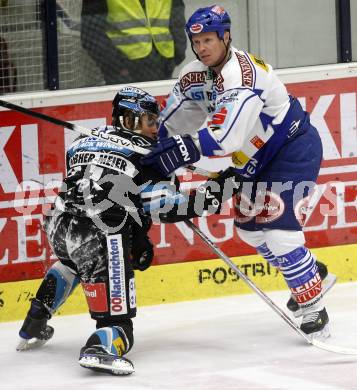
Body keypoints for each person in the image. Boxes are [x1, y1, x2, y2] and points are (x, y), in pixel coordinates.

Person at [141, 5, 336, 338]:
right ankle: (310, 272)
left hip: (291, 148)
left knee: (276, 226)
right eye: (196, 41)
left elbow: (224, 139)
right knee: (249, 231)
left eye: (208, 40)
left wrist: (179, 154)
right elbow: (172, 123)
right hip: (252, 161)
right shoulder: (193, 75)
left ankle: (314, 308)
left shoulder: (242, 75)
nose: (202, 47)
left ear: (225, 36)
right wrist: (151, 151)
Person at [16, 86, 185, 375]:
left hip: (58, 224)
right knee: (120, 325)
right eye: (150, 121)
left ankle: (36, 318)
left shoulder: (84, 139)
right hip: (99, 234)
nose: (155, 128)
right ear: (130, 120)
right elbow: (167, 205)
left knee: (72, 263)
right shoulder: (150, 155)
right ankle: (99, 348)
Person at [80, 0, 187, 85]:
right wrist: (116, 68)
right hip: (124, 69)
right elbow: (91, 32)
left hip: (162, 62)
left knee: (162, 109)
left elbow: (176, 16)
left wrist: (176, 55)